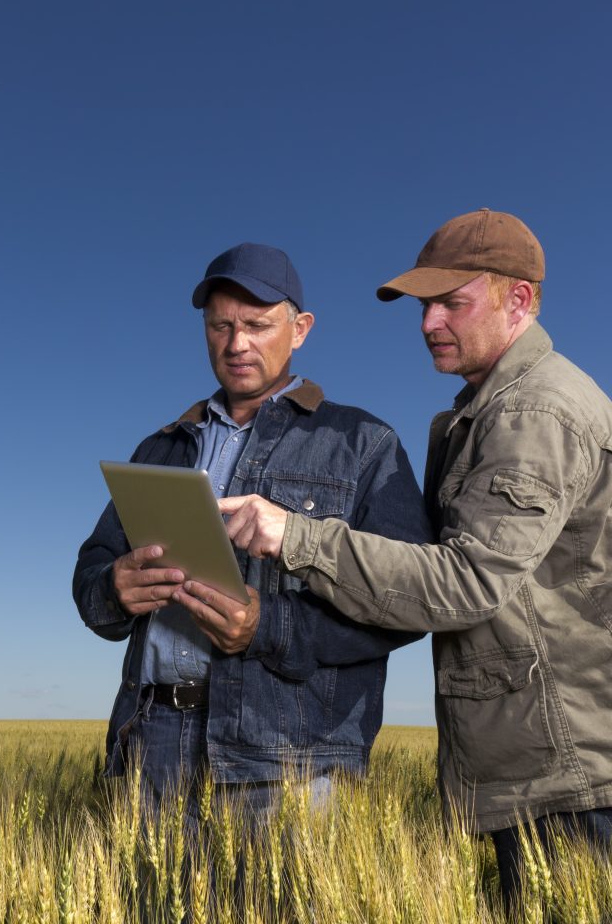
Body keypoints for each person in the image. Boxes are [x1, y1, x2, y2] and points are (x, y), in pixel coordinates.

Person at [218, 210, 612, 906]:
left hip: (569, 781)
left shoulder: (535, 413)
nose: (428, 323)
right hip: (536, 772)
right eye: (423, 305)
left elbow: (467, 583)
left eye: (451, 303)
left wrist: (296, 536)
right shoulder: (482, 413)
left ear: (517, 300)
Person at [73, 242, 430, 817]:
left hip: (289, 758)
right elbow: (92, 570)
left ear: (301, 329)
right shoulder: (160, 448)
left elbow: (411, 603)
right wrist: (113, 588)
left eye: (258, 325)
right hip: (152, 741)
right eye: (221, 326)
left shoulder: (365, 445)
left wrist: (271, 626)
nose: (236, 344)